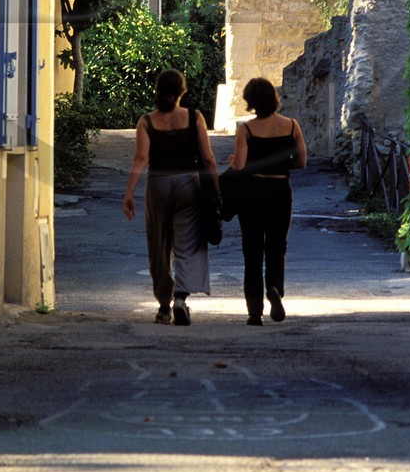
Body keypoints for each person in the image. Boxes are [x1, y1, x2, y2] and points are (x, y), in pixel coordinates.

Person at [122, 68, 220, 326]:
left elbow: (141, 158)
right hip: (189, 183)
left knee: (159, 245)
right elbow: (208, 157)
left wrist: (129, 193)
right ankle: (180, 299)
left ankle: (164, 307)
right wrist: (218, 189)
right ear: (182, 91)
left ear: (157, 91)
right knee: (187, 243)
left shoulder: (147, 121)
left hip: (158, 185)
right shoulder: (194, 117)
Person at [230, 77, 307, 325]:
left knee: (252, 251)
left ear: (251, 101)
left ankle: (254, 312)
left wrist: (234, 161)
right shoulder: (292, 126)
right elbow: (302, 161)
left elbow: (239, 165)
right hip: (280, 189)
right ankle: (274, 287)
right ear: (274, 99)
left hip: (252, 191)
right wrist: (283, 165)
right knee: (277, 246)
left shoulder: (247, 129)